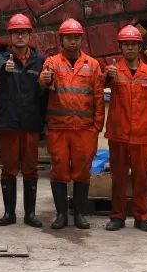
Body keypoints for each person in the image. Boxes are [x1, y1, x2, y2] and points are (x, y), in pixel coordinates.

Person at [38, 18, 104, 230]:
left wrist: (96, 128)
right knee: (59, 170)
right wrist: (45, 80)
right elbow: (43, 81)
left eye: (76, 38)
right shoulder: (52, 62)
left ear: (81, 39)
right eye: (69, 38)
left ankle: (80, 215)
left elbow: (98, 98)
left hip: (84, 130)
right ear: (62, 40)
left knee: (82, 171)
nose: (73, 42)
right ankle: (61, 215)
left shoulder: (92, 65)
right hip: (59, 128)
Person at [0, 13, 46, 227]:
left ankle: (30, 214)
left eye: (23, 33)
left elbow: (45, 92)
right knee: (9, 168)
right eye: (16, 33)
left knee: (31, 168)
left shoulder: (40, 61)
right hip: (9, 123)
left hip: (31, 123)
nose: (20, 37)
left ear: (30, 35)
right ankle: (9, 214)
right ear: (10, 37)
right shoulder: (3, 58)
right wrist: (6, 69)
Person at [104, 25, 147, 232]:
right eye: (126, 45)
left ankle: (141, 216)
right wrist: (108, 77)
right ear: (120, 47)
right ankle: (117, 216)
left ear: (139, 47)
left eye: (133, 45)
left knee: (141, 177)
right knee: (118, 177)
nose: (129, 48)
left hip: (142, 134)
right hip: (118, 133)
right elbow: (104, 82)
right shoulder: (113, 70)